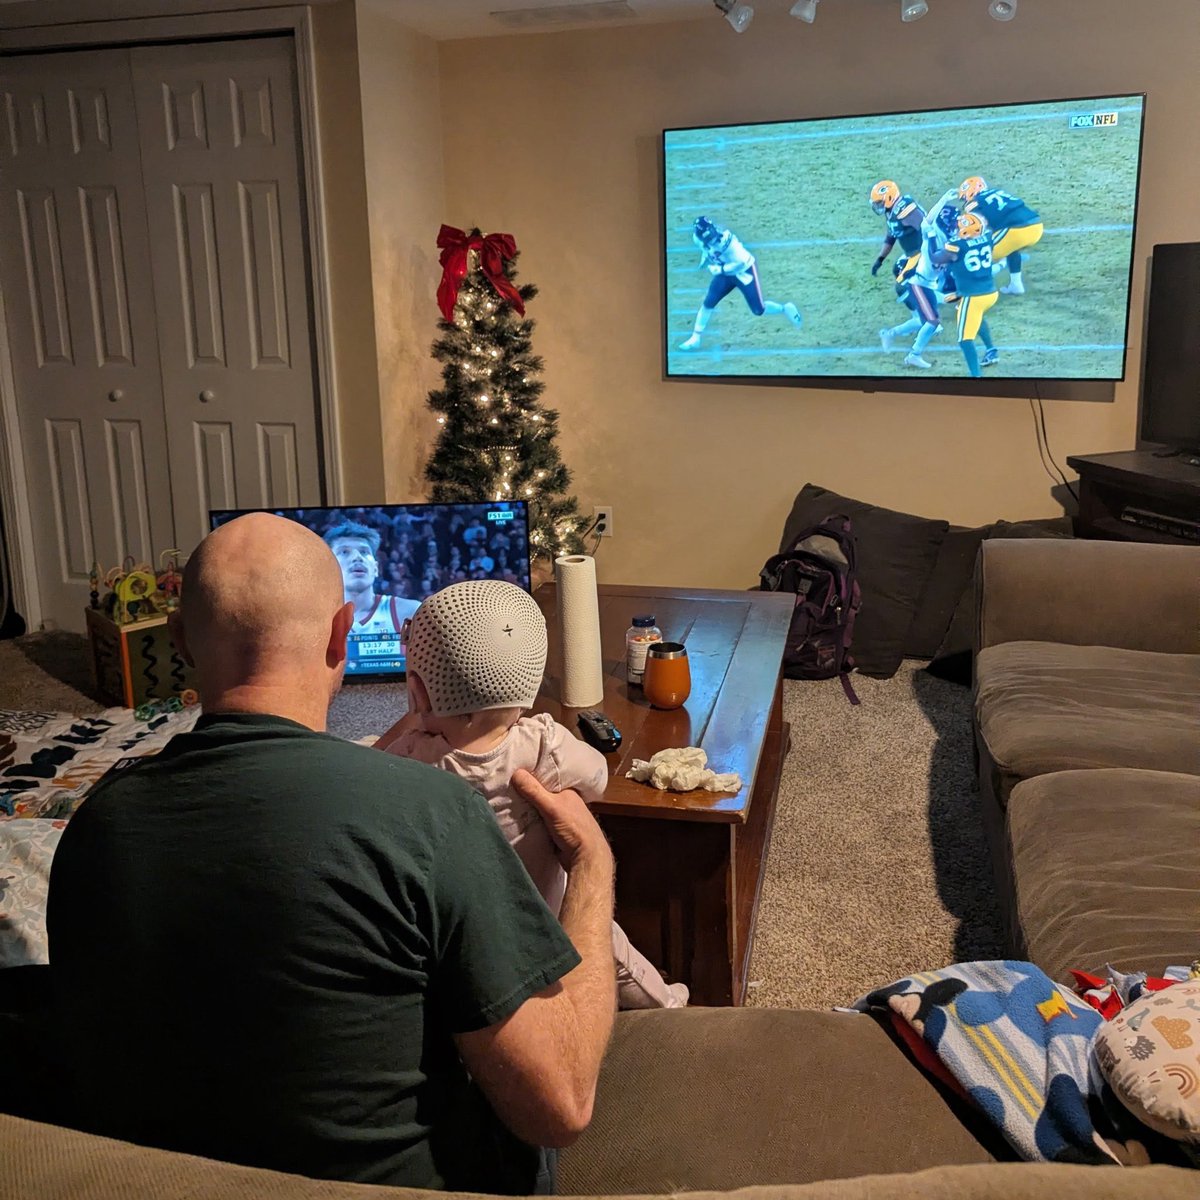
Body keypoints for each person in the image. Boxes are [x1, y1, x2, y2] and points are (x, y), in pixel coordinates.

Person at [46, 513, 617, 1193]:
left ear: (180, 643)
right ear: (344, 633)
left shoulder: (96, 824)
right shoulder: (432, 815)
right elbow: (563, 1106)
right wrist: (591, 867)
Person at [375, 580, 688, 1011]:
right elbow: (597, 777)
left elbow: (368, 778)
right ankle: (667, 1005)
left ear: (418, 692)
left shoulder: (410, 758)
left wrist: (413, 720)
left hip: (464, 936)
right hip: (551, 913)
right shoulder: (543, 744)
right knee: (612, 948)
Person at [678, 216, 802, 350]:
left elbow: (740, 263)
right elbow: (706, 249)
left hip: (744, 271)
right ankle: (695, 338)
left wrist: (719, 269)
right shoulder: (698, 239)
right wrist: (705, 259)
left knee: (758, 310)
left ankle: (784, 308)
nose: (712, 240)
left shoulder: (728, 242)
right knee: (708, 302)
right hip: (725, 272)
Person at [324, 520, 419, 671]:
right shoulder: (316, 619)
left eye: (364, 552)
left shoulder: (409, 612)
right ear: (328, 567)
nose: (357, 557)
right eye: (344, 552)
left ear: (376, 569)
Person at [879, 202, 958, 370]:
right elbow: (927, 223)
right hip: (914, 285)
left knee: (928, 319)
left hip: (919, 284)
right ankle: (912, 354)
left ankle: (892, 336)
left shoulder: (936, 243)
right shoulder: (932, 248)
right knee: (931, 321)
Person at [932, 211, 1001, 377]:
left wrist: (930, 239)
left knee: (964, 339)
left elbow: (936, 258)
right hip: (990, 293)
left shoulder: (957, 246)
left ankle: (975, 376)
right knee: (976, 318)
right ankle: (991, 350)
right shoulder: (988, 238)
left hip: (974, 297)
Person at [958, 175, 1043, 295]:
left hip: (1017, 230)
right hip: (1036, 226)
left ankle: (973, 293)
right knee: (1010, 247)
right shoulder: (997, 192)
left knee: (977, 254)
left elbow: (977, 227)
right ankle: (1016, 285)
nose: (965, 200)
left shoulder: (974, 203)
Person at [868, 180, 926, 280]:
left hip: (923, 251)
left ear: (889, 198)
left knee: (902, 284)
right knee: (897, 269)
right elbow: (891, 237)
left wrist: (931, 253)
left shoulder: (905, 210)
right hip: (913, 253)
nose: (878, 206)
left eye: (879, 202)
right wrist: (880, 259)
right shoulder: (891, 212)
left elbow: (927, 227)